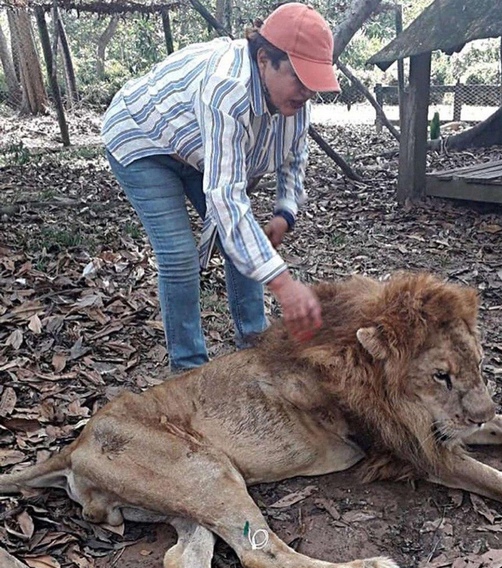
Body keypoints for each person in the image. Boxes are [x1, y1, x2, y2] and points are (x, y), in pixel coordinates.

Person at [101, 3, 340, 371]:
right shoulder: (227, 88)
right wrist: (283, 283)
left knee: (245, 242)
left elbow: (294, 157)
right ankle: (189, 369)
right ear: (264, 60)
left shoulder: (297, 101)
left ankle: (255, 348)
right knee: (179, 257)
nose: (307, 92)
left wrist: (285, 212)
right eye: (298, 78)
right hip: (142, 137)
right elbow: (227, 199)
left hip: (197, 150)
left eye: (313, 83)